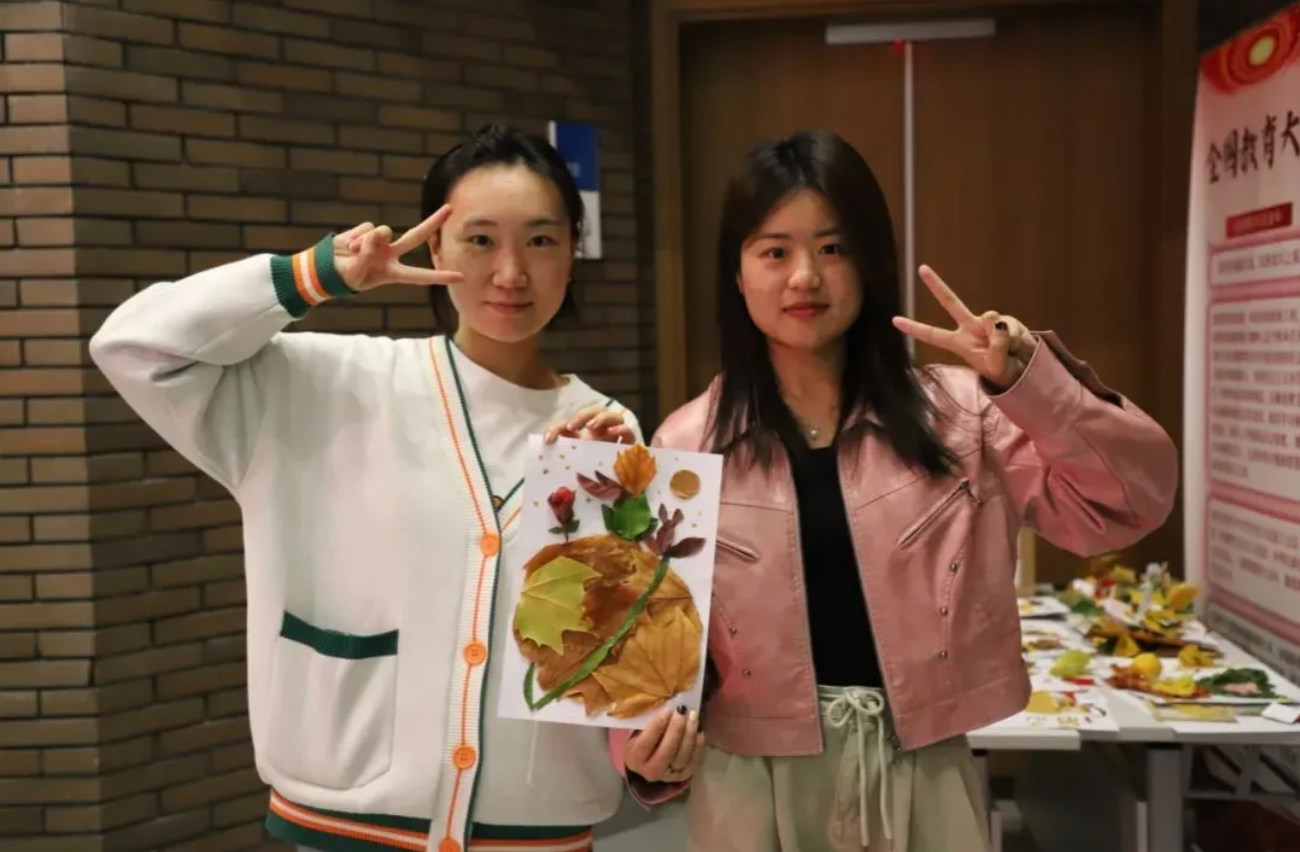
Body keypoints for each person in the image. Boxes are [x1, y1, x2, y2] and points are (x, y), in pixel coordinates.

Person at [90, 124, 702, 852]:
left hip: (538, 831)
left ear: (574, 248)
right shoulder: (320, 383)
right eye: (480, 240)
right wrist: (315, 274)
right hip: (342, 821)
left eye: (541, 241)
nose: (510, 272)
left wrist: (647, 756)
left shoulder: (604, 432)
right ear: (435, 248)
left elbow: (608, 659)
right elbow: (135, 347)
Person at [649, 130, 1179, 851]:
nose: (804, 276)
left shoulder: (965, 414)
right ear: (737, 276)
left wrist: (1032, 381)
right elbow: (653, 646)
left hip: (925, 769)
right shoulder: (685, 445)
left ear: (870, 264)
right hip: (747, 778)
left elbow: (1127, 504)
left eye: (833, 248)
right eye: (774, 251)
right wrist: (643, 751)